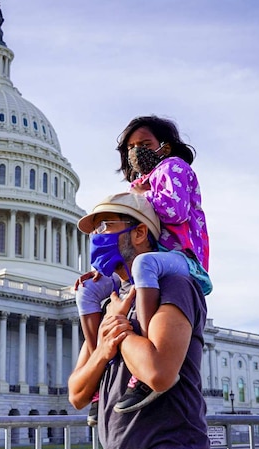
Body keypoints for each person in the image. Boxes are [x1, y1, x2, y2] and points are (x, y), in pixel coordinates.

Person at [68, 191, 213, 449]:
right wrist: (103, 344)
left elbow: (159, 373)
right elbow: (78, 393)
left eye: (108, 225)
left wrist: (119, 330)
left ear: (139, 234)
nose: (98, 234)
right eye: (95, 227)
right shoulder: (112, 303)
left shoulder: (174, 286)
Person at [75, 115, 210, 420]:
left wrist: (141, 194)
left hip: (182, 257)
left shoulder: (173, 168)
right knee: (86, 291)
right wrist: (104, 269)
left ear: (166, 146)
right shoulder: (140, 184)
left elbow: (173, 211)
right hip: (153, 263)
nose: (136, 152)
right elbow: (73, 397)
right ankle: (100, 369)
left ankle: (150, 346)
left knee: (144, 263)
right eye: (131, 147)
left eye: (144, 144)